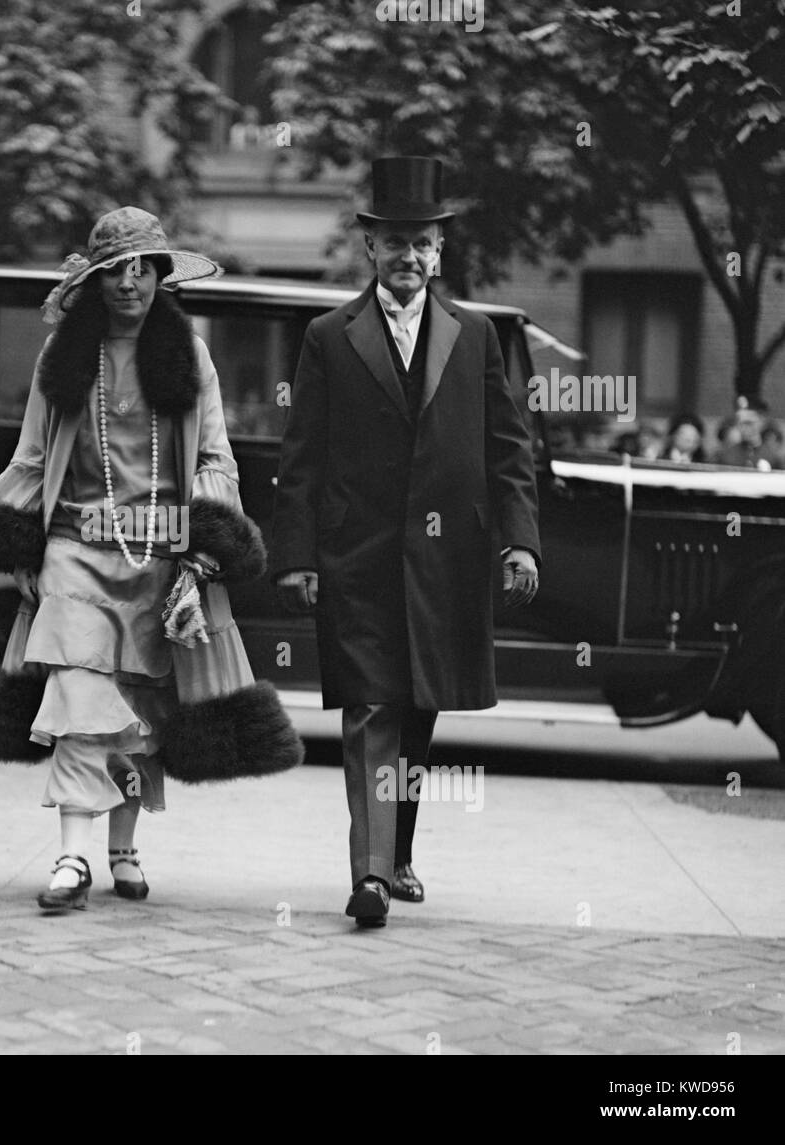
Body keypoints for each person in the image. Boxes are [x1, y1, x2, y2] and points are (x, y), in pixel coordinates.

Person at [0, 207, 302, 911]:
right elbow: (29, 457)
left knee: (142, 709)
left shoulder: (190, 357)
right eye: (117, 270)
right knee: (81, 697)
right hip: (75, 553)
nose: (131, 282)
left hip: (161, 559)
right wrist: (17, 541)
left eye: (144, 268)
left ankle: (123, 845)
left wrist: (202, 561)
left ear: (161, 276)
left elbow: (213, 459)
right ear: (96, 279)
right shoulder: (63, 356)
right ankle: (72, 858)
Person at [271, 156, 541, 928]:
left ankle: (399, 851)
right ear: (371, 247)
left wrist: (519, 543)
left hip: (447, 561)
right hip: (356, 559)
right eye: (396, 243)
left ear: (439, 252)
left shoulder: (476, 335)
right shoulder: (329, 336)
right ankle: (369, 877)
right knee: (371, 711)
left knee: (419, 711)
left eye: (423, 244)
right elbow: (303, 455)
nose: (410, 258)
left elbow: (507, 449)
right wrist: (295, 556)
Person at [717, 395, 781, 470]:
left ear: (761, 422)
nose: (744, 428)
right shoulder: (727, 456)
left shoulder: (771, 456)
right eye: (740, 423)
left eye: (749, 423)